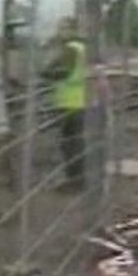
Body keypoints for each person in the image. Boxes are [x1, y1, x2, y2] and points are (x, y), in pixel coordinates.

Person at [41, 16, 88, 191]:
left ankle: (75, 180)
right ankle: (79, 179)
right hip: (80, 100)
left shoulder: (71, 49)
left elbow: (63, 72)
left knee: (70, 144)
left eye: (63, 28)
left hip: (69, 102)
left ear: (72, 30)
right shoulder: (82, 48)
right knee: (77, 142)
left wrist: (46, 73)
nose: (59, 32)